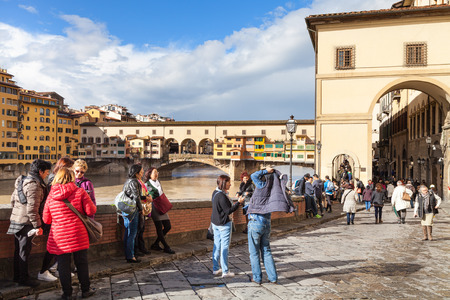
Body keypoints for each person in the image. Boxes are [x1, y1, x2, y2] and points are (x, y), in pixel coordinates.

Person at [43, 168, 97, 300]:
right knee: (81, 263)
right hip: (78, 234)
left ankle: (67, 294)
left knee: (63, 265)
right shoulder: (80, 191)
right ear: (72, 177)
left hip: (60, 236)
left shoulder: (51, 195)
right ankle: (85, 290)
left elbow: (46, 219)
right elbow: (91, 211)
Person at [7, 159, 52, 287]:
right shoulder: (34, 185)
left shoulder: (22, 180)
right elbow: (32, 208)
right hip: (26, 222)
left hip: (17, 219)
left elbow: (12, 201)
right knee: (24, 251)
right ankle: (23, 279)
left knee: (19, 251)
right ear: (40, 171)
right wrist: (37, 225)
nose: (47, 175)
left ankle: (18, 277)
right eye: (46, 172)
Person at [247, 167, 295, 284]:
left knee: (254, 253)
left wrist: (265, 171)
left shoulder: (261, 185)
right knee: (266, 250)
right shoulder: (274, 189)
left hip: (255, 221)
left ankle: (257, 278)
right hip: (266, 222)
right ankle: (273, 278)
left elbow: (253, 176)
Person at [37, 157, 74, 282]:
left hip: (56, 217)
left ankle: (59, 269)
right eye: (71, 168)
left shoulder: (54, 178)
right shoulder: (55, 179)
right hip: (55, 217)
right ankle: (44, 270)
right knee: (54, 246)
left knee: (59, 246)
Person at [211, 175, 245, 278]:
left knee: (217, 245)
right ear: (224, 183)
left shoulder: (215, 192)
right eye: (229, 182)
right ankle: (225, 271)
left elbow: (222, 208)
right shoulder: (222, 196)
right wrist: (238, 203)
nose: (230, 184)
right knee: (224, 247)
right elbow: (228, 211)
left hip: (215, 223)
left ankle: (216, 268)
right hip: (223, 224)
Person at [122, 164, 152, 263]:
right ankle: (130, 256)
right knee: (132, 234)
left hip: (126, 210)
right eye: (141, 171)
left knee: (128, 232)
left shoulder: (127, 182)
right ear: (137, 173)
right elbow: (136, 197)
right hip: (132, 210)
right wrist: (141, 209)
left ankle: (127, 254)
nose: (143, 172)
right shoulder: (135, 182)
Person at [144, 167, 175, 254]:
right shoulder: (147, 184)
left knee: (168, 226)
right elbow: (146, 196)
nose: (156, 174)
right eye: (154, 172)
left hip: (162, 205)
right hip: (154, 206)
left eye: (157, 172)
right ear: (150, 174)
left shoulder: (158, 182)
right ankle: (166, 247)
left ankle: (156, 244)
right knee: (159, 228)